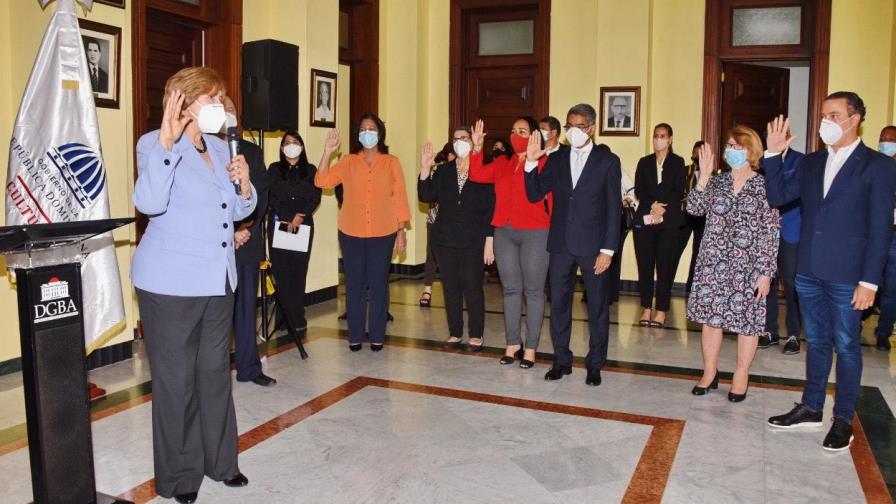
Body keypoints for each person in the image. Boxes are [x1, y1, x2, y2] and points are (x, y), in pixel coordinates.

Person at [132, 67, 254, 503]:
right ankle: (181, 476)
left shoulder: (222, 148)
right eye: (210, 98)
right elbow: (148, 202)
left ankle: (221, 462)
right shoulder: (153, 143)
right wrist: (167, 144)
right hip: (169, 284)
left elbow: (240, 208)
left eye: (220, 98)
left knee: (213, 373)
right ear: (182, 102)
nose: (218, 106)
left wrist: (244, 183)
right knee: (176, 380)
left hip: (218, 278)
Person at [766, 92, 896, 451]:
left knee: (847, 345)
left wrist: (870, 281)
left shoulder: (879, 166)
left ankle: (843, 418)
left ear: (854, 119)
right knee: (818, 342)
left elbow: (880, 228)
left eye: (834, 114)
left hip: (848, 275)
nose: (826, 121)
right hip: (809, 269)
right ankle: (811, 407)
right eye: (823, 114)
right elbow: (777, 196)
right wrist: (773, 155)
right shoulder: (811, 162)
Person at [523, 103, 622, 385]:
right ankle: (561, 360)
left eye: (578, 126)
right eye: (568, 126)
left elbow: (613, 209)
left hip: (594, 247)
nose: (572, 131)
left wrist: (608, 250)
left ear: (591, 128)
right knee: (560, 306)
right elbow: (534, 194)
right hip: (561, 245)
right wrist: (531, 163)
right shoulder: (556, 159)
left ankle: (594, 364)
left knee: (598, 307)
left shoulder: (607, 161)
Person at [687, 127, 780, 403]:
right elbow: (693, 209)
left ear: (751, 151)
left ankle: (741, 374)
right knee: (711, 321)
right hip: (713, 263)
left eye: (738, 146)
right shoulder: (717, 183)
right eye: (729, 145)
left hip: (748, 268)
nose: (731, 151)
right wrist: (702, 178)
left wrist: (766, 272)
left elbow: (771, 231)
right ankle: (710, 372)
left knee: (747, 324)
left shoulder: (765, 186)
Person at [315, 113, 411, 352]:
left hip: (384, 232)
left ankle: (377, 336)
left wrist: (401, 231)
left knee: (379, 285)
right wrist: (327, 152)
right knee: (354, 285)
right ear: (359, 135)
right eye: (363, 128)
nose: (367, 132)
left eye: (371, 128)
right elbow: (321, 181)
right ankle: (355, 336)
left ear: (379, 134)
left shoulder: (391, 162)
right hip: (351, 232)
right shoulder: (348, 161)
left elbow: (399, 197)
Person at [469, 116, 550, 365]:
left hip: (536, 232)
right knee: (511, 289)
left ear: (535, 136)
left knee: (534, 291)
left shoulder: (547, 163)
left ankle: (531, 348)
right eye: (513, 130)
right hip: (504, 230)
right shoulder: (503, 162)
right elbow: (476, 174)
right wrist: (476, 148)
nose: (516, 134)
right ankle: (513, 343)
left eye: (523, 131)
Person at [418, 128, 495, 349]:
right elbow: (426, 196)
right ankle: (455, 332)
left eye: (465, 138)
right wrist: (425, 168)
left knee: (472, 287)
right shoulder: (443, 171)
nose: (460, 142)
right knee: (450, 287)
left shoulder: (484, 171)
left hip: (473, 240)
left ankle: (476, 334)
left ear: (472, 142)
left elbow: (491, 208)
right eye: (456, 139)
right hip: (445, 240)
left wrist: (490, 240)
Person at [222, 95, 276, 387]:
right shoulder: (202, 151)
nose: (226, 115)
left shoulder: (252, 152)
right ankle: (214, 374)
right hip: (214, 243)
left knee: (245, 309)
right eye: (221, 110)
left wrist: (244, 226)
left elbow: (262, 192)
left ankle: (249, 368)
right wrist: (228, 231)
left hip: (247, 240)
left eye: (231, 110)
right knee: (216, 313)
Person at [632, 123, 687, 328]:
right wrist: (652, 205)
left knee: (665, 266)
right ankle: (646, 307)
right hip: (645, 220)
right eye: (656, 136)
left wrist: (663, 207)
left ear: (670, 139)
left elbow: (678, 189)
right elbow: (640, 189)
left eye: (662, 136)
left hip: (669, 221)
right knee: (645, 265)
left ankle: (661, 309)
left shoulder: (678, 162)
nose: (658, 139)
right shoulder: (644, 162)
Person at [268, 130, 321, 335]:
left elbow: (314, 197)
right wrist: (286, 215)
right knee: (281, 272)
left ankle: (297, 317)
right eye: (287, 142)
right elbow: (270, 195)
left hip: (303, 225)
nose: (291, 145)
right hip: (279, 223)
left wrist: (299, 216)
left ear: (301, 146)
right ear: (282, 148)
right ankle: (282, 319)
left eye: (295, 142)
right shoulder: (273, 169)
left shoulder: (310, 170)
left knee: (298, 272)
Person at [759, 145, 805, 355]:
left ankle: (794, 333)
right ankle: (769, 330)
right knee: (765, 279)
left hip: (792, 229)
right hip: (767, 230)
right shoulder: (763, 160)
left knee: (791, 283)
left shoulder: (801, 161)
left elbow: (793, 193)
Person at [419, 142, 454, 307]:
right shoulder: (437, 171)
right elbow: (426, 192)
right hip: (435, 219)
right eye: (452, 154)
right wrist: (426, 167)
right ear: (447, 155)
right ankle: (427, 290)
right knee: (431, 255)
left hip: (457, 222)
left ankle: (455, 290)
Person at [871, 125, 896, 352]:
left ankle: (883, 332)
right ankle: (854, 324)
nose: (886, 142)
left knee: (891, 289)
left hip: (894, 236)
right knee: (866, 281)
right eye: (883, 138)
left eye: (891, 139)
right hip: (872, 234)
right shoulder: (873, 166)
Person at [681, 141, 712, 293]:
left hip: (704, 218)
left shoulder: (715, 175)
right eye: (695, 155)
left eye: (701, 155)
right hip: (684, 216)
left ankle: (691, 288)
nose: (697, 158)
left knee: (699, 252)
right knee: (674, 250)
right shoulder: (684, 171)